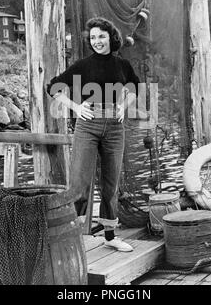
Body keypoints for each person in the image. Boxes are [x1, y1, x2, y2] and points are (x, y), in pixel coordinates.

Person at [47, 17, 140, 252]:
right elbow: (54, 87)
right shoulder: (83, 65)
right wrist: (76, 108)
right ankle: (71, 238)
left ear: (111, 37)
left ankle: (110, 236)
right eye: (93, 38)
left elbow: (135, 86)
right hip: (87, 126)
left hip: (115, 128)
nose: (97, 41)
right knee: (79, 185)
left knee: (110, 186)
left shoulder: (122, 65)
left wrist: (123, 107)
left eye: (101, 36)